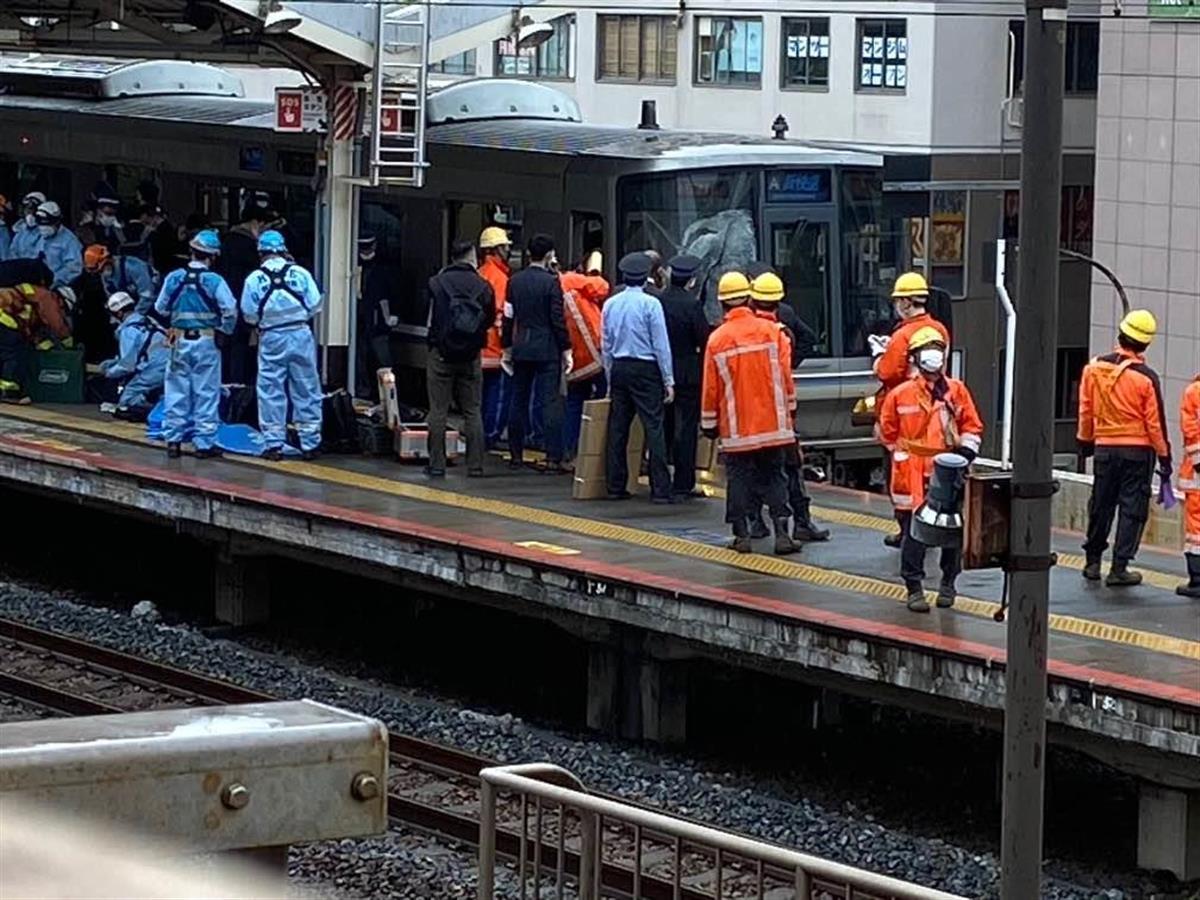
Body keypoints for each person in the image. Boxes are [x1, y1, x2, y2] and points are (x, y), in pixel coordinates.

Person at [877, 327, 983, 612]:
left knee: (950, 532)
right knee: (915, 533)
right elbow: (887, 432)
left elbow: (972, 425)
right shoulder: (901, 394)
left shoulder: (956, 391)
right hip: (912, 472)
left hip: (947, 470)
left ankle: (948, 584)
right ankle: (914, 588)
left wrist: (965, 451)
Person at [701, 271, 799, 555]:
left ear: (722, 304)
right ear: (748, 298)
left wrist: (709, 424)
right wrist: (790, 411)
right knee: (775, 477)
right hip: (774, 424)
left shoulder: (717, 340)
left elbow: (711, 388)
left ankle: (742, 535)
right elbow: (785, 376)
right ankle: (782, 534)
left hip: (737, 427)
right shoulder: (773, 332)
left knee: (739, 479)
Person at [1077, 309, 1172, 587]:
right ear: (1145, 344)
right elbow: (1155, 424)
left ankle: (1092, 561)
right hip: (1138, 452)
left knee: (1101, 504)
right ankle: (1119, 567)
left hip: (1105, 448)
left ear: (1120, 334)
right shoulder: (1145, 378)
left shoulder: (1092, 369)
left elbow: (1085, 410)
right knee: (1132, 508)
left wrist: (1085, 442)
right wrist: (1165, 458)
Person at [748, 271, 830, 542]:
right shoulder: (785, 322)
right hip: (780, 411)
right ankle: (801, 523)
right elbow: (807, 339)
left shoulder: (743, 326)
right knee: (789, 468)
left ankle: (755, 523)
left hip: (748, 411)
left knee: (752, 469)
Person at [873, 271, 951, 548]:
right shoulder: (940, 329)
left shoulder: (903, 334)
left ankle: (907, 530)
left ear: (906, 303)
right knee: (933, 474)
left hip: (903, 410)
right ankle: (930, 526)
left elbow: (887, 373)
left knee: (901, 474)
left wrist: (879, 357)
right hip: (935, 409)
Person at [153, 229, 237, 459]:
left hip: (178, 341)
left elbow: (160, 307)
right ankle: (204, 443)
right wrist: (224, 330)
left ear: (191, 251)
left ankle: (173, 440)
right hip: (207, 340)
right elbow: (230, 309)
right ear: (213, 256)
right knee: (206, 391)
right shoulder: (215, 281)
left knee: (176, 390)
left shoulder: (174, 278)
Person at [240, 230, 324, 461]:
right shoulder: (300, 273)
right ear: (283, 249)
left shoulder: (254, 279)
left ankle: (274, 443)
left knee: (270, 389)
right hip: (300, 334)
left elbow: (248, 314)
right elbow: (316, 304)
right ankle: (310, 443)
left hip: (271, 337)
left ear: (261, 252)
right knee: (306, 386)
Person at [602, 252, 675, 502]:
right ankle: (661, 490)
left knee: (618, 428)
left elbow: (606, 344)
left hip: (620, 367)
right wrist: (668, 379)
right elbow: (661, 344)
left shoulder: (610, 304)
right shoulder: (651, 304)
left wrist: (610, 378)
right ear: (646, 278)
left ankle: (614, 485)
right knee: (653, 427)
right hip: (646, 368)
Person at [425, 239, 495, 477]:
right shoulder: (483, 286)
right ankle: (475, 466)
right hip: (471, 356)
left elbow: (431, 318)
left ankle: (436, 464)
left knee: (438, 411)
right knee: (473, 410)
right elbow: (488, 320)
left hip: (441, 354)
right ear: (471, 257)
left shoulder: (436, 283)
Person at [501, 233, 570, 472]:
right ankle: (553, 456)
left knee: (517, 400)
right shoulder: (552, 282)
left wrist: (507, 347)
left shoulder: (514, 281)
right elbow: (557, 319)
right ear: (550, 255)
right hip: (547, 348)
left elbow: (508, 317)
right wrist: (566, 349)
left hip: (521, 346)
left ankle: (516, 455)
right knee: (550, 401)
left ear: (529, 253)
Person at [657, 254, 710, 499]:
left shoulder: (658, 300)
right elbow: (703, 338)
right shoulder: (692, 304)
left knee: (663, 425)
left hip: (661, 369)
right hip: (688, 370)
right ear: (691, 280)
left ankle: (662, 475)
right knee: (686, 427)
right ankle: (683, 481)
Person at [218, 193, 274, 384]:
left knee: (228, 346)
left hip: (225, 302)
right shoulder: (250, 247)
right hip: (243, 304)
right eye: (264, 226)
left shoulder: (225, 241)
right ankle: (240, 387)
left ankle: (228, 385)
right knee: (240, 347)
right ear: (255, 222)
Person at [561, 251, 609, 461]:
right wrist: (595, 273)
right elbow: (602, 287)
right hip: (593, 355)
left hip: (573, 359)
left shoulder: (557, 287)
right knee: (602, 401)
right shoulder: (574, 282)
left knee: (573, 403)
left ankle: (570, 450)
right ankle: (598, 447)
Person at [97, 291, 168, 418]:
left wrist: (108, 372)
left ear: (118, 313)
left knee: (128, 400)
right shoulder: (148, 320)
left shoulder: (129, 331)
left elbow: (127, 365)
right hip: (172, 362)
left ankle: (156, 414)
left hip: (154, 369)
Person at [0, 282, 74, 403]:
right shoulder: (48, 297)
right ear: (61, 299)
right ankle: (9, 392)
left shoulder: (33, 299)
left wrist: (41, 343)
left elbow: (31, 328)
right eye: (63, 308)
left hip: (6, 318)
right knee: (15, 355)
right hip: (4, 319)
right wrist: (67, 341)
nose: (62, 312)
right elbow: (56, 323)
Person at [478, 226, 512, 448]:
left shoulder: (479, 273)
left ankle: (480, 433)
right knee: (497, 397)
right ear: (497, 249)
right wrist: (507, 345)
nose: (508, 250)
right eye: (506, 247)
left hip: (476, 348)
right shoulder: (500, 278)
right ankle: (491, 435)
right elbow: (501, 315)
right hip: (494, 349)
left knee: (478, 398)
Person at [355, 233, 396, 398]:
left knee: (383, 361)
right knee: (361, 360)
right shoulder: (354, 267)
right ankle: (366, 393)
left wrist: (388, 316)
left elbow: (386, 295)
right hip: (360, 322)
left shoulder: (383, 268)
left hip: (377, 322)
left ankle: (388, 396)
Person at [84, 244, 156, 314]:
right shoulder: (106, 276)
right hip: (134, 311)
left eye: (102, 268)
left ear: (108, 260)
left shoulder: (133, 267)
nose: (102, 273)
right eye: (99, 272)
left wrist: (134, 317)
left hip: (155, 305)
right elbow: (112, 298)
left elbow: (147, 295)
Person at [1178, 376, 1200, 598]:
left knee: (1196, 531)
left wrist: (1197, 460)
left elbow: (1191, 430)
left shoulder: (1194, 392)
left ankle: (1197, 579)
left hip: (1197, 476)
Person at [31, 202, 83, 290]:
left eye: (47, 223)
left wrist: (56, 280)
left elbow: (74, 268)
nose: (44, 227)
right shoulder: (39, 236)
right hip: (36, 283)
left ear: (57, 221)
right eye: (41, 224)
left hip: (59, 287)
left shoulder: (69, 241)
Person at [76, 182, 125, 251]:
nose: (111, 218)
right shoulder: (84, 231)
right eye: (108, 213)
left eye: (113, 214)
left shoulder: (115, 228)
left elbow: (123, 245)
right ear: (97, 210)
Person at [7, 192, 45, 261]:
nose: (29, 213)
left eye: (32, 209)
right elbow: (12, 251)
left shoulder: (44, 232)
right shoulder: (21, 230)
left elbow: (37, 257)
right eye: (27, 209)